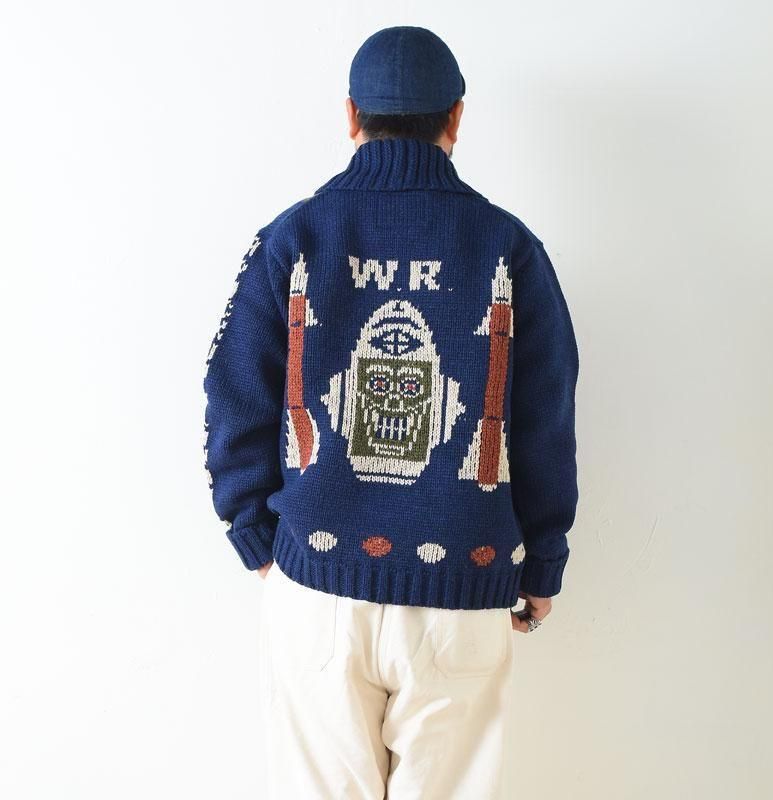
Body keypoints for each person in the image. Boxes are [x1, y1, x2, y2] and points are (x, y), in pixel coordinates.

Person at [202, 25, 579, 799]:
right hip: (461, 590)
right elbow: (546, 418)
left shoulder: (293, 236)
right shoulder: (509, 247)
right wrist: (541, 563)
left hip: (316, 587)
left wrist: (255, 533)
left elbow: (233, 391)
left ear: (350, 115)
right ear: (456, 118)